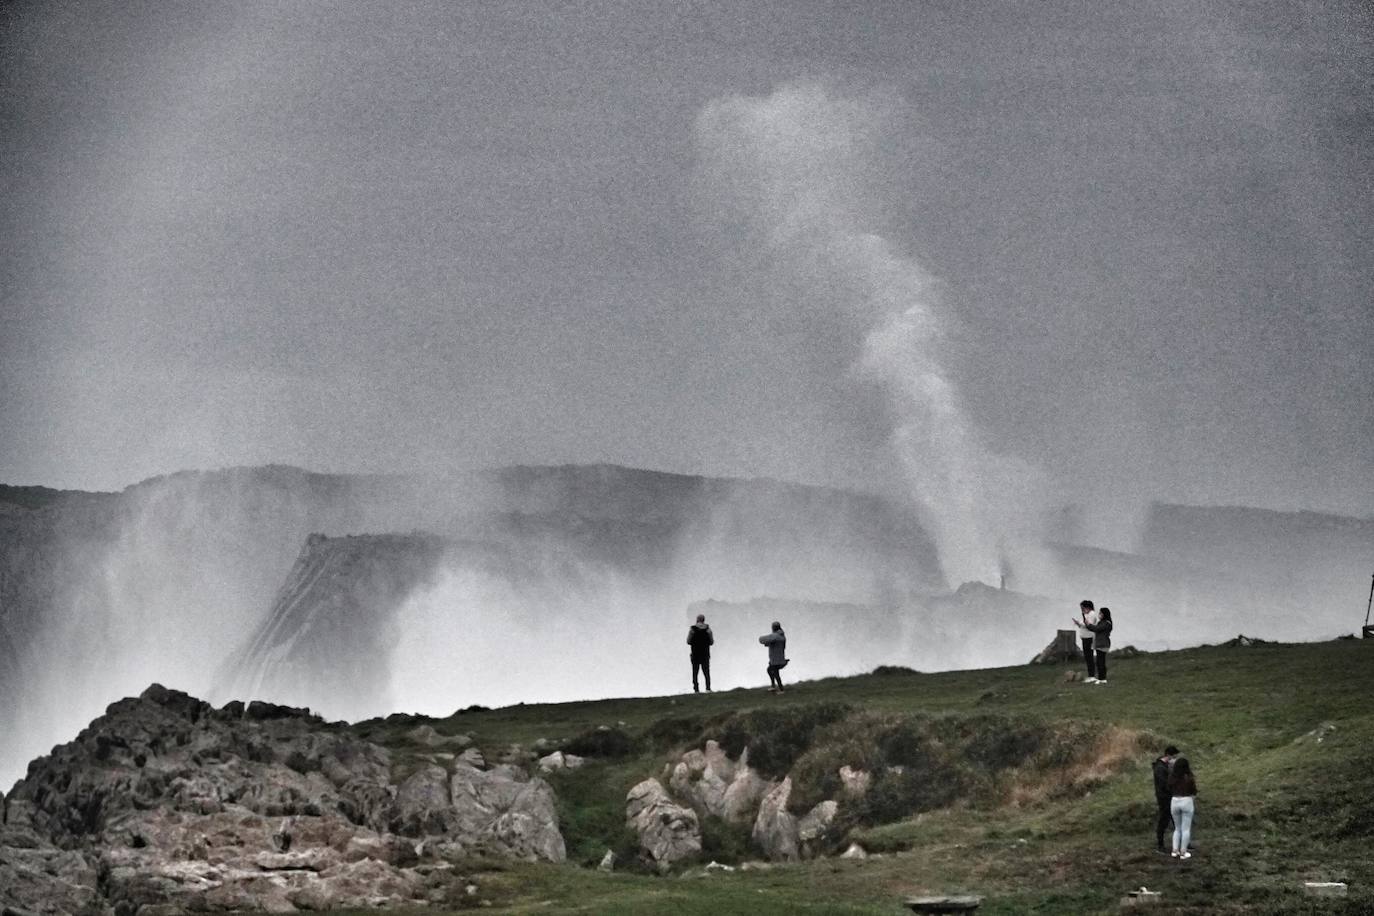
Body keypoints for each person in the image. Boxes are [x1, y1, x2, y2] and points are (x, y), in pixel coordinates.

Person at [1169, 756, 1198, 859]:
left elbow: (1169, 788)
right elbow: (1194, 791)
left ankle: (1174, 850)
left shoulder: (1172, 777)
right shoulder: (1189, 777)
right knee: (1185, 829)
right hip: (1186, 801)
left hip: (1174, 801)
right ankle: (1183, 852)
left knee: (1177, 828)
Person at [1153, 745, 1180, 853]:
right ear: (1169, 755)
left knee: (1174, 820)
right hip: (1164, 798)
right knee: (1164, 820)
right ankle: (1160, 844)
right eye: (1174, 757)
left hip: (1168, 797)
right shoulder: (1160, 768)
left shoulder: (1163, 766)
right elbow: (1164, 784)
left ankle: (1180, 842)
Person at [1079, 607, 1113, 685]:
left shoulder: (1106, 623)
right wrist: (1088, 625)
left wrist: (1088, 624)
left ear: (1105, 614)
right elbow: (1095, 628)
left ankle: (1102, 679)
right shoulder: (1102, 622)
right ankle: (1101, 678)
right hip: (1100, 644)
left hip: (1103, 644)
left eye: (1101, 613)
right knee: (1099, 662)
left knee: (1100, 662)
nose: (1099, 615)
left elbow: (1096, 629)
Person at [686, 613, 714, 693]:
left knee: (695, 672)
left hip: (695, 654)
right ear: (704, 620)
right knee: (706, 672)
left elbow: (688, 641)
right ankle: (708, 688)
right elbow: (711, 642)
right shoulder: (708, 630)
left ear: (697, 620)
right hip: (705, 654)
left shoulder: (692, 629)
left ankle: (696, 689)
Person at [1074, 600, 1099, 682]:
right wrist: (1079, 624)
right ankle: (1091, 675)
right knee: (1088, 656)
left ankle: (1092, 675)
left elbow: (1089, 625)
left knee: (1089, 656)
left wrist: (1080, 623)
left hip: (1089, 638)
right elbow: (1085, 624)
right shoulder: (1087, 614)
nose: (1082, 610)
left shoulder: (1092, 614)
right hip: (1085, 638)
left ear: (1087, 607)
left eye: (1083, 608)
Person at [759, 621, 787, 692]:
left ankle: (781, 690)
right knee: (770, 670)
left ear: (774, 628)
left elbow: (764, 640)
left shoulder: (775, 636)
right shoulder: (782, 636)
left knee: (775, 673)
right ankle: (773, 686)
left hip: (776, 659)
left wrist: (760, 639)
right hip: (779, 657)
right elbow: (773, 643)